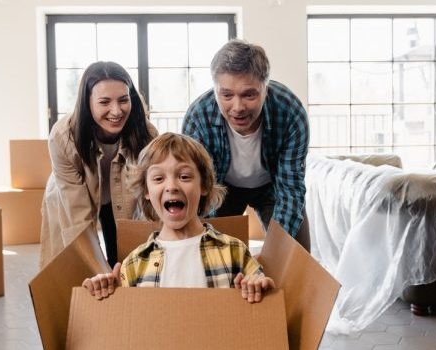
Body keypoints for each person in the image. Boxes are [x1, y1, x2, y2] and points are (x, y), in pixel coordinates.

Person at [82, 133, 275, 303]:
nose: (171, 186)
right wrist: (108, 290)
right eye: (158, 178)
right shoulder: (134, 263)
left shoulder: (234, 251)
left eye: (184, 176)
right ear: (147, 191)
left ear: (204, 186)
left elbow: (262, 288)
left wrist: (257, 284)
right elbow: (125, 323)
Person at [181, 39, 311, 250]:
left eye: (249, 94)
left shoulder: (290, 112)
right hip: (221, 189)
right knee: (213, 257)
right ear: (215, 90)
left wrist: (278, 252)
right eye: (227, 95)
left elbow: (290, 190)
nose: (238, 107)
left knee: (296, 255)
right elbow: (199, 188)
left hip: (273, 187)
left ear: (265, 88)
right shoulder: (198, 118)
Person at [40, 61, 156, 269]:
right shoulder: (62, 137)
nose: (116, 111)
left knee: (122, 259)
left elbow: (151, 197)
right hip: (70, 196)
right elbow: (78, 221)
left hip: (121, 195)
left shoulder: (145, 133)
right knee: (77, 265)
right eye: (104, 102)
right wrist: (99, 271)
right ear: (87, 102)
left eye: (123, 100)